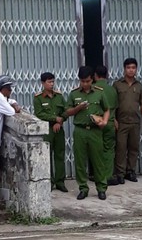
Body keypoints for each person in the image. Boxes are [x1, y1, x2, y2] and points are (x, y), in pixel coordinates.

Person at [65, 66, 109, 200]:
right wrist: (78, 108)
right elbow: (67, 112)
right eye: (83, 81)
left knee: (98, 161)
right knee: (80, 160)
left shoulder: (99, 92)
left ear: (92, 80)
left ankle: (101, 188)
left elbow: (107, 109)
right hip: (80, 131)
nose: (85, 84)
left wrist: (104, 121)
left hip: (95, 131)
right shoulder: (74, 94)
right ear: (79, 80)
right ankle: (83, 188)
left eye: (88, 81)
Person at [113, 58, 142, 183]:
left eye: (133, 67)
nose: (131, 70)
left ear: (136, 69)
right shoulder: (117, 85)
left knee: (133, 148)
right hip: (121, 122)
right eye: (128, 67)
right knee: (121, 148)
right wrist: (113, 119)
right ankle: (120, 173)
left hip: (135, 122)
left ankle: (130, 171)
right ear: (124, 69)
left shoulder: (139, 86)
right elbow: (112, 104)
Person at [33, 72, 68, 192]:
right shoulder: (38, 98)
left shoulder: (59, 96)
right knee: (47, 157)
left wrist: (60, 120)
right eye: (49, 82)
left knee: (60, 155)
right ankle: (50, 181)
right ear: (43, 83)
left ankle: (60, 181)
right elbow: (39, 114)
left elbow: (65, 111)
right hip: (47, 130)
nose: (51, 84)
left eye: (53, 81)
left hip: (59, 129)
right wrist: (54, 119)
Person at [93, 66, 118, 186]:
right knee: (109, 149)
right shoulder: (112, 89)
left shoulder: (93, 89)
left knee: (97, 150)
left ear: (95, 76)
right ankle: (108, 175)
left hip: (97, 124)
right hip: (110, 123)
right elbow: (114, 107)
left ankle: (99, 176)